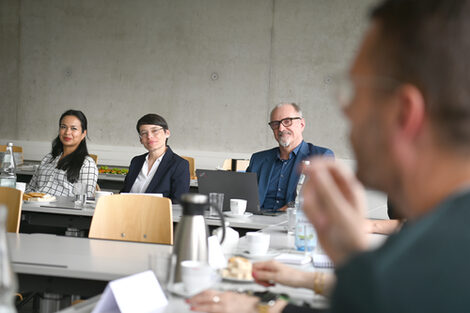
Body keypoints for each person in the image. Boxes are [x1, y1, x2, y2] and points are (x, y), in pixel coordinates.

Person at [189, 0, 470, 312]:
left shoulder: (435, 259)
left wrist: (258, 308)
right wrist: (348, 257)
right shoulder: (436, 236)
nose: (346, 110)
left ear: (404, 114)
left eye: (356, 92)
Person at [246, 102, 334, 211]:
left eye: (287, 122)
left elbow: (321, 199)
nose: (281, 128)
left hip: (294, 223)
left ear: (301, 124)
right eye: (275, 124)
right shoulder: (258, 160)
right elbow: (244, 198)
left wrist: (290, 207)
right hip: (253, 223)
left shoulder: (320, 157)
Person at [26, 110, 98, 197]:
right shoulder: (48, 158)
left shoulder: (87, 164)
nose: (67, 132)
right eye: (63, 127)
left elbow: (84, 200)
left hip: (60, 210)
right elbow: (30, 189)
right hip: (34, 206)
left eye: (73, 128)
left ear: (83, 134)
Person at [121, 113, 189, 203]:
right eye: (144, 133)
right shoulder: (136, 161)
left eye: (155, 131)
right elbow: (124, 192)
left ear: (167, 133)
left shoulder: (179, 164)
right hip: (127, 212)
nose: (149, 136)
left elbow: (178, 202)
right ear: (141, 139)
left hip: (157, 215)